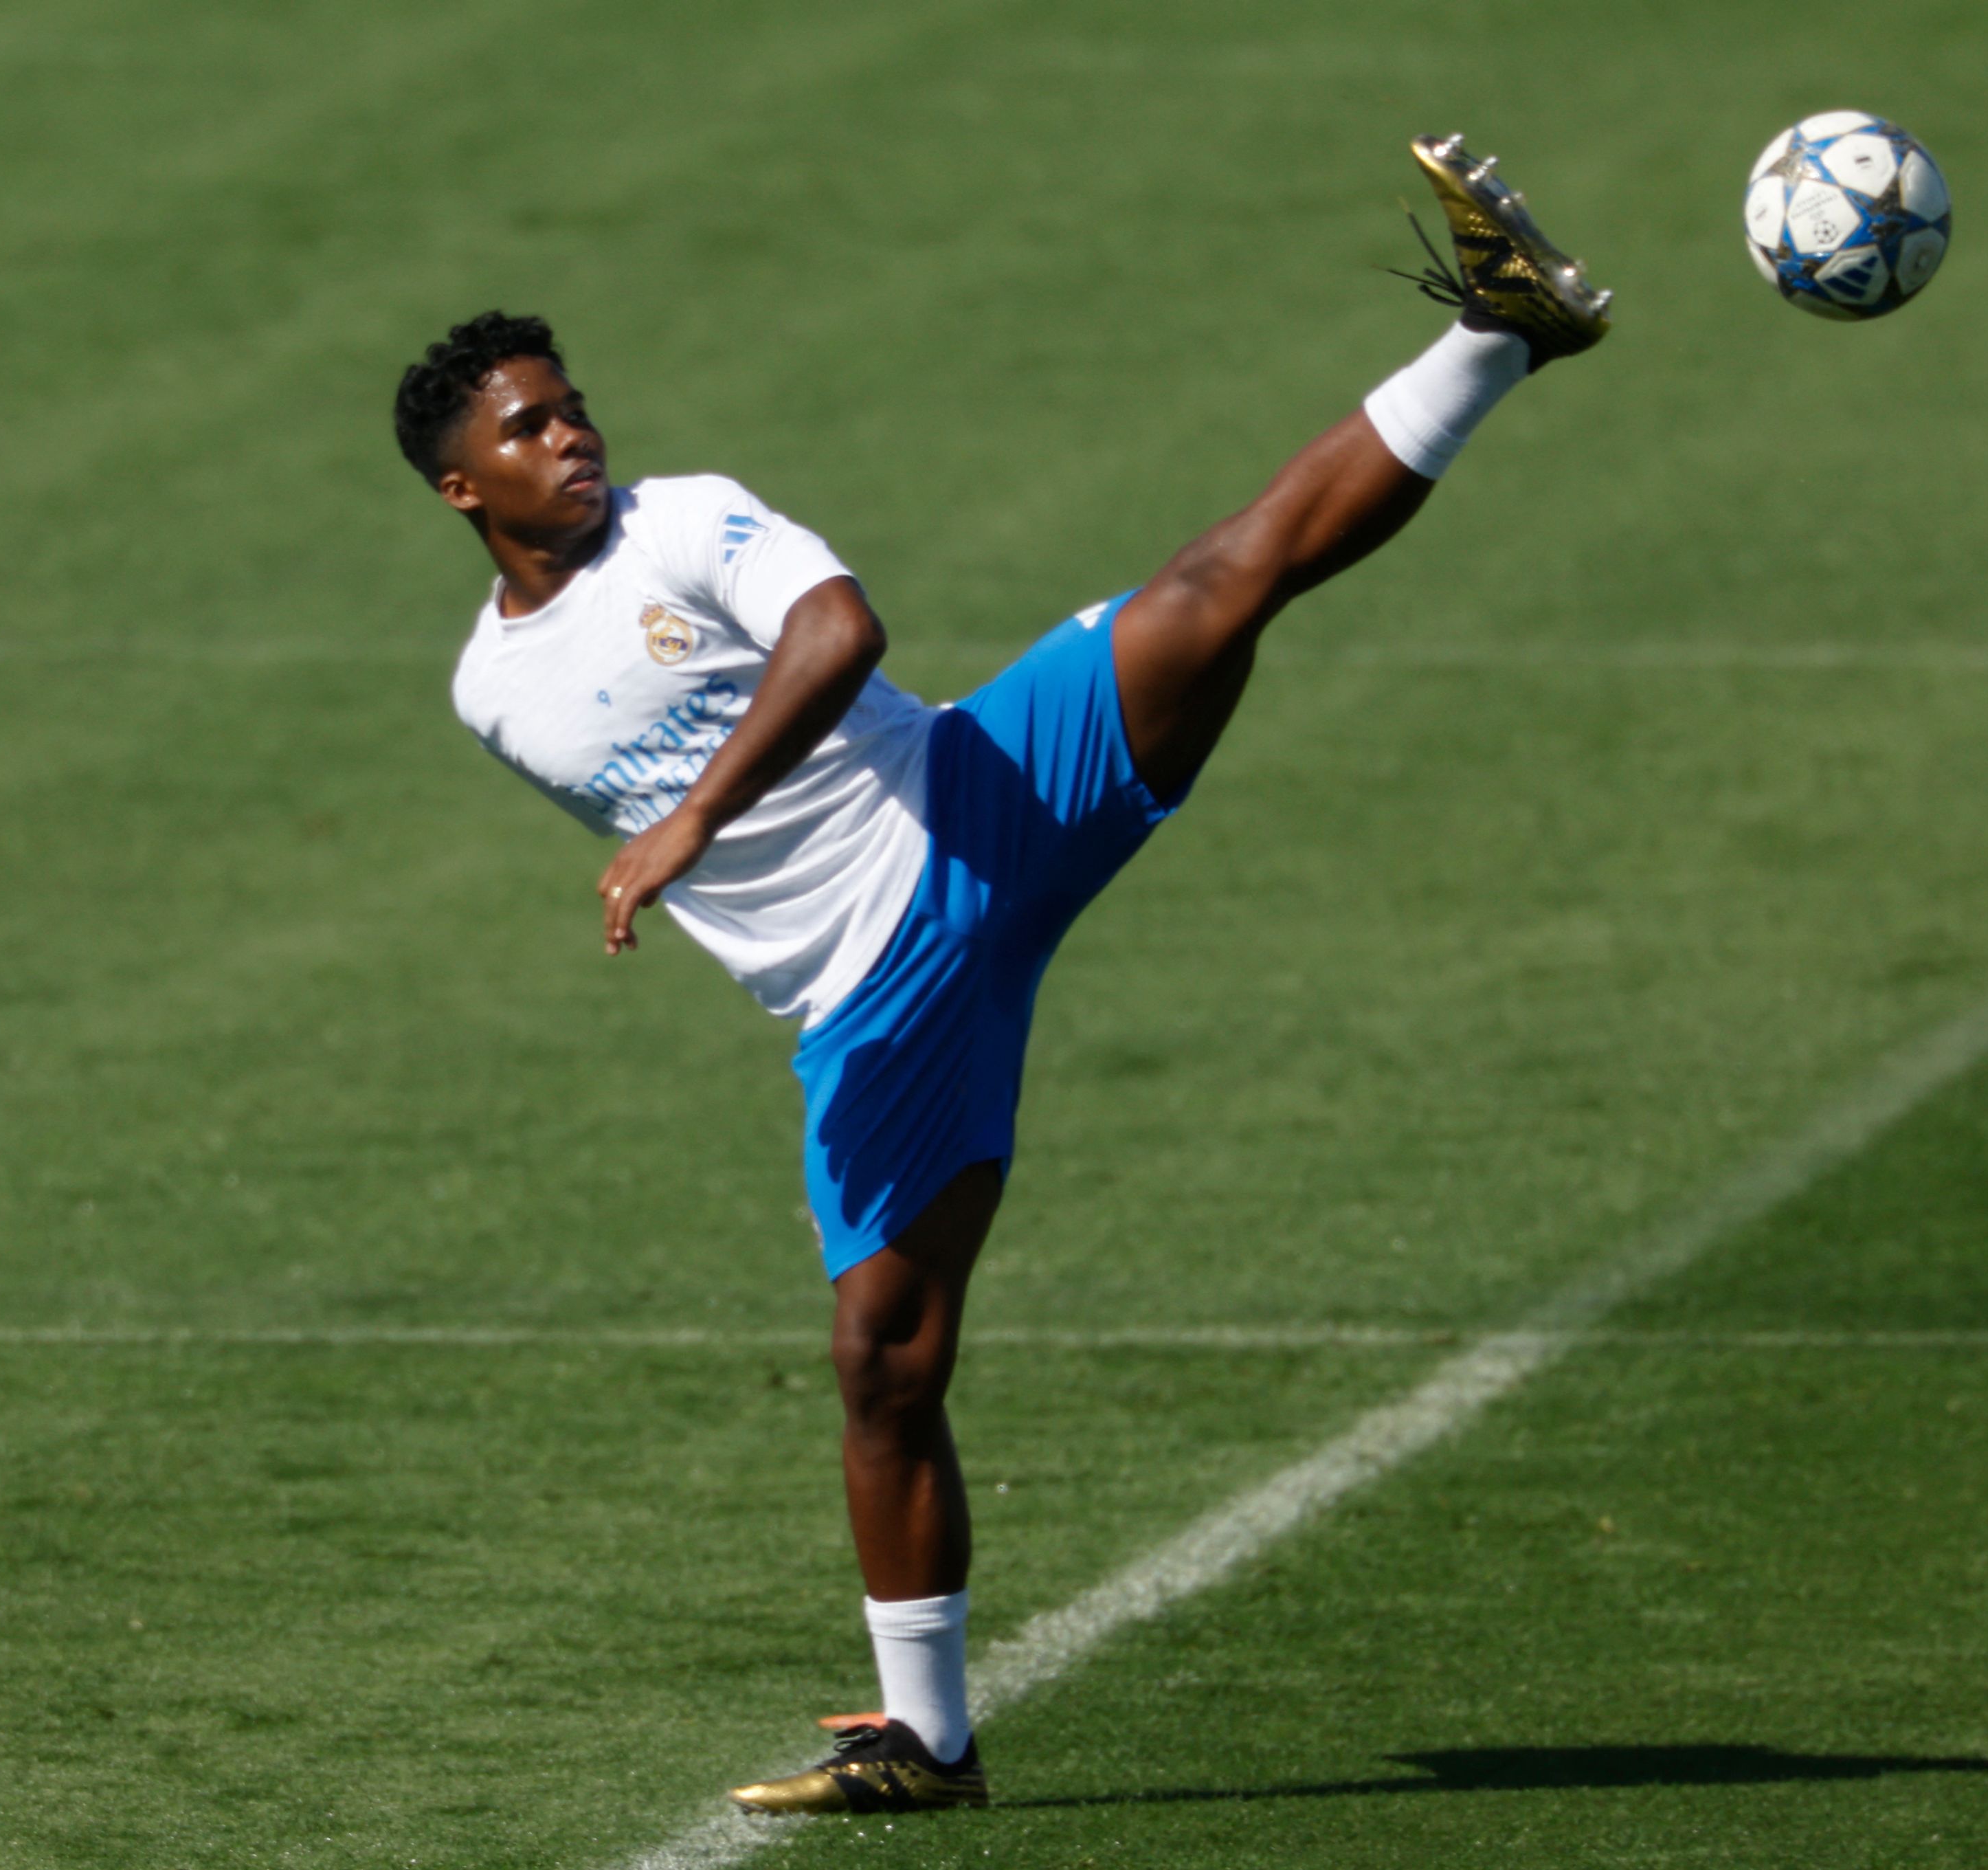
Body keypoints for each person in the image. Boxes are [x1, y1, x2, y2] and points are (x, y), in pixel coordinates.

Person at [395, 134, 1609, 1817]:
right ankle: (929, 1738)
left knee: (1220, 579)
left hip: (972, 794)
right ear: (465, 490)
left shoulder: (684, 522)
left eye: (573, 402)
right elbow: (731, 844)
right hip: (876, 995)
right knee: (884, 1367)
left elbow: (841, 636)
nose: (571, 435)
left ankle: (1500, 334)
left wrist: (689, 816)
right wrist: (708, 841)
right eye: (526, 429)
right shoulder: (488, 692)